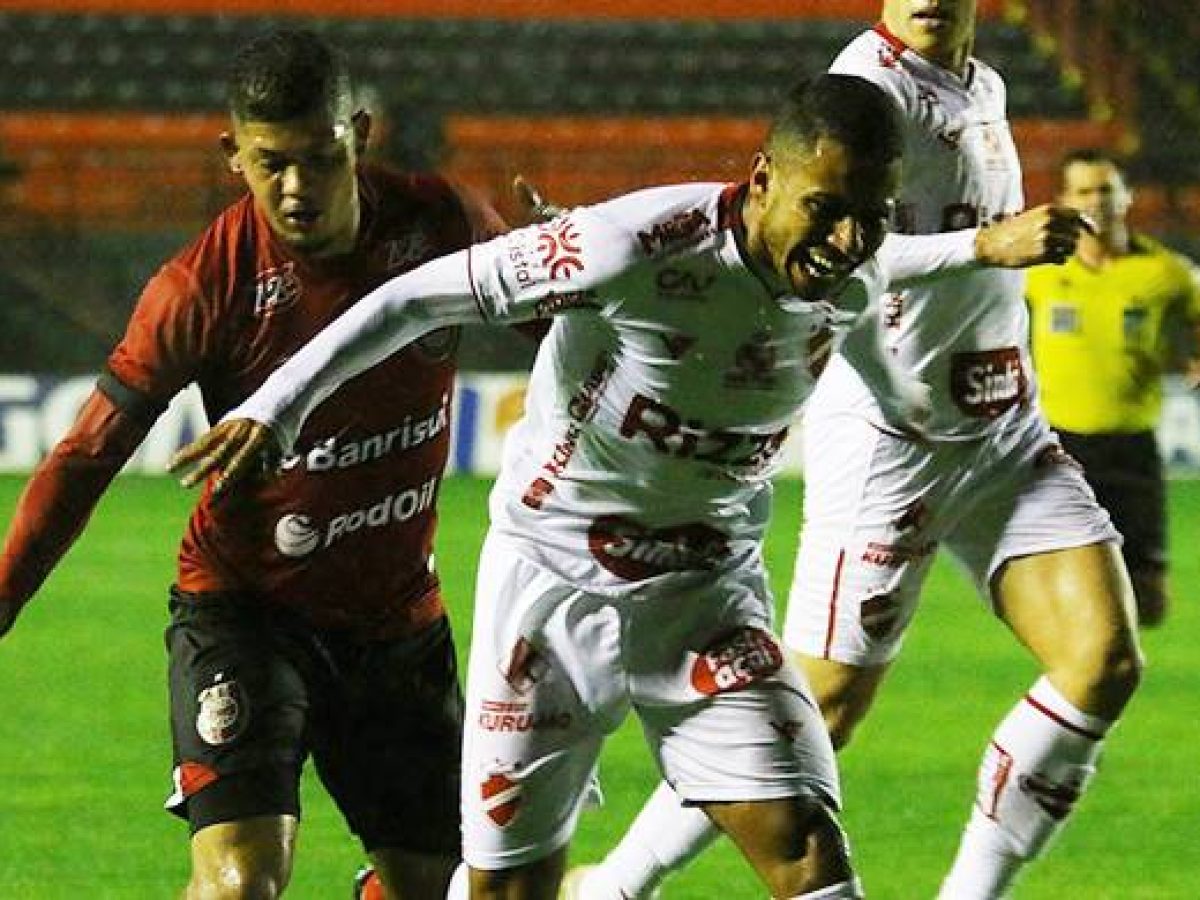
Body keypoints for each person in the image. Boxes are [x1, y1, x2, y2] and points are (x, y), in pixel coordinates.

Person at [168, 72, 1012, 900]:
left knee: (805, 846)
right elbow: (409, 303)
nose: (846, 239)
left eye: (873, 217)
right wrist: (278, 407)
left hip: (706, 595)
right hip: (554, 588)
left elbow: (868, 347)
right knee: (511, 886)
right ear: (761, 179)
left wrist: (916, 412)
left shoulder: (849, 270)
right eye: (824, 211)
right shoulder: (629, 246)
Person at [559, 2, 1143, 899]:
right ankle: (617, 885)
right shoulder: (867, 88)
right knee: (819, 713)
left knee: (1102, 659)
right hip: (889, 437)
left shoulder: (980, 82)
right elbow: (838, 249)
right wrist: (988, 242)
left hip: (1001, 428)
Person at [0, 28, 511, 900]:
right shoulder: (203, 287)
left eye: (319, 158)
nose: (297, 187)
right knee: (241, 885)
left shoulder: (440, 225)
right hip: (247, 613)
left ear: (359, 130)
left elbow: (563, 317)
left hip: (397, 625)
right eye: (271, 162)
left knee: (443, 888)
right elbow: (88, 454)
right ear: (231, 153)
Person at [1027, 148, 1200, 628]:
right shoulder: (1039, 271)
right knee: (1066, 589)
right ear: (1064, 200)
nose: (1096, 201)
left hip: (1133, 448)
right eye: (1084, 191)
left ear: (1126, 197)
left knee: (1150, 604)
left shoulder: (1168, 274)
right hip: (1061, 447)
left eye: (1106, 189)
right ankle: (1081, 679)